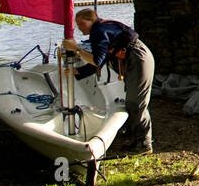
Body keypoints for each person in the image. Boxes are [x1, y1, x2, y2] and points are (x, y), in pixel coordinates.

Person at [62, 9, 154, 152]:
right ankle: (133, 136)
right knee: (132, 100)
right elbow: (101, 60)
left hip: (138, 59)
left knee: (136, 102)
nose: (79, 27)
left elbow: (97, 61)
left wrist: (77, 49)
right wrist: (78, 71)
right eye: (77, 24)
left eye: (81, 23)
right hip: (134, 58)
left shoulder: (98, 30)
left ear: (92, 20)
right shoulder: (100, 29)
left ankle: (144, 144)